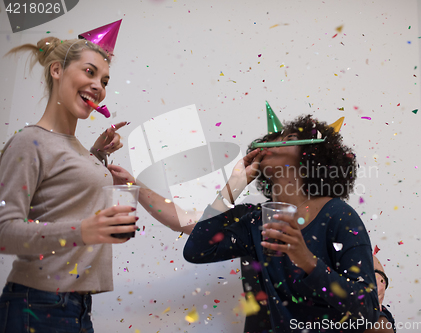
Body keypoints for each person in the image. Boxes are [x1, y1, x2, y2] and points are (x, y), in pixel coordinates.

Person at [179, 114, 379, 332]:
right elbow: (197, 251)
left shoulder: (338, 214)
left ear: (311, 154)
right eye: (273, 138)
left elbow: (367, 309)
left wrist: (307, 262)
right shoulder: (256, 221)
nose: (272, 143)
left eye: (289, 137)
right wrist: (233, 187)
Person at [0, 35, 136, 332]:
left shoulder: (73, 145)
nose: (99, 87)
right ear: (57, 71)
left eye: (105, 80)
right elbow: (3, 232)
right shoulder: (29, 142)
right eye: (90, 72)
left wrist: (96, 155)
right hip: (38, 306)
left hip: (76, 308)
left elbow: (60, 199)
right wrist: (85, 230)